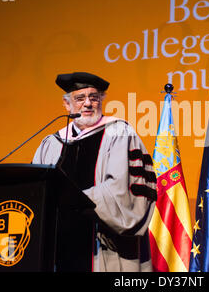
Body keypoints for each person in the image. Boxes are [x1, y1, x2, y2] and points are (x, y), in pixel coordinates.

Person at [32, 72, 157, 272]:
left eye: (94, 97)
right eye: (80, 98)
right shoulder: (50, 143)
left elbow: (124, 188)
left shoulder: (119, 132)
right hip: (60, 246)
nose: (88, 103)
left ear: (101, 102)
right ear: (67, 105)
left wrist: (76, 200)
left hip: (105, 244)